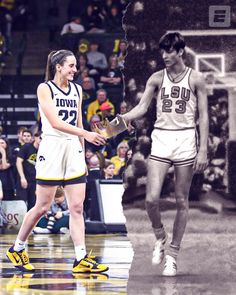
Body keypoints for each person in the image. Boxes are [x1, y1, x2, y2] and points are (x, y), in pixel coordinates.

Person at [6, 49, 108, 274]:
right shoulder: (45, 88)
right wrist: (87, 134)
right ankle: (18, 247)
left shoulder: (78, 90)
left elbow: (79, 121)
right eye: (71, 65)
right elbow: (54, 121)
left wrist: (82, 154)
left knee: (77, 207)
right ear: (58, 66)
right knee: (42, 206)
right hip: (52, 147)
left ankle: (80, 258)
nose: (75, 69)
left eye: (75, 66)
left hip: (72, 149)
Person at [119, 32, 209, 276]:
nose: (164, 56)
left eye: (169, 51)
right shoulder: (157, 78)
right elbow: (141, 107)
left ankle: (173, 254)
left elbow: (204, 116)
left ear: (180, 51)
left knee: (182, 200)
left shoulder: (197, 79)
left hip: (186, 139)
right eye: (162, 51)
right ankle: (160, 235)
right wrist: (121, 120)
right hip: (162, 137)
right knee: (151, 199)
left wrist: (203, 150)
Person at [16, 132, 41, 211]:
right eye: (40, 138)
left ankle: (31, 223)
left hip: (36, 180)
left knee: (33, 203)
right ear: (35, 138)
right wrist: (22, 178)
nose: (42, 140)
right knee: (22, 202)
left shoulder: (44, 149)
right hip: (25, 179)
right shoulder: (26, 147)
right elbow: (18, 162)